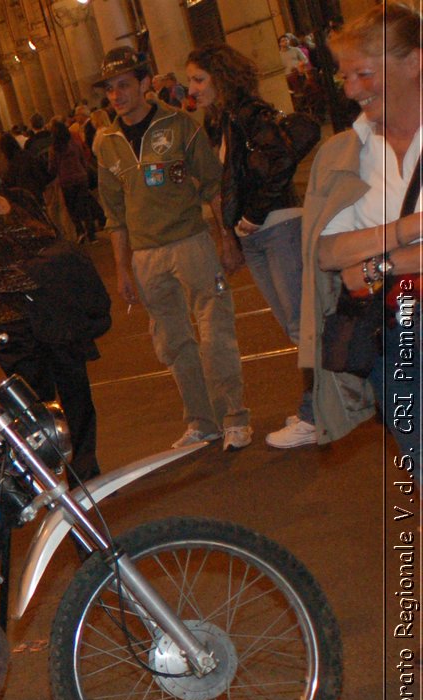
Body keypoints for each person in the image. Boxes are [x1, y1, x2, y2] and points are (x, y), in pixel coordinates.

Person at [92, 45, 251, 450]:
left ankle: (234, 416)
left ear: (145, 84)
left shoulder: (180, 125)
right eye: (109, 89)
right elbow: (115, 214)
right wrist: (122, 269)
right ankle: (202, 421)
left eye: (124, 85)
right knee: (172, 341)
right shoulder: (106, 143)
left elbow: (214, 186)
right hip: (146, 256)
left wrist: (226, 238)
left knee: (215, 332)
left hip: (192, 243)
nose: (116, 96)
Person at [298, 2, 422, 471]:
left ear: (415, 62)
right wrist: (407, 230)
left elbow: (354, 260)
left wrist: (378, 263)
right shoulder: (342, 154)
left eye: (364, 74)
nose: (352, 90)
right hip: (393, 337)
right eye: (345, 77)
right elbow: (326, 252)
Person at [185, 44, 316, 449]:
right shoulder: (225, 120)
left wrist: (255, 214)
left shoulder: (248, 114)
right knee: (295, 323)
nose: (191, 89)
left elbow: (279, 163)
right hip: (258, 233)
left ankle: (319, 413)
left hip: (276, 226)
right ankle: (323, 406)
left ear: (221, 78)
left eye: (198, 79)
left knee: (303, 324)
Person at [0, 141, 102, 480]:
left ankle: (87, 473)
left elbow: (55, 239)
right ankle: (44, 479)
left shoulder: (23, 200)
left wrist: (50, 270)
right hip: (11, 327)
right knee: (35, 410)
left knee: (77, 392)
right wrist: (47, 272)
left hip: (55, 313)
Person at [49, 120, 100, 243]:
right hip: (80, 177)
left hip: (66, 181)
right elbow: (82, 159)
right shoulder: (75, 144)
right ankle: (92, 234)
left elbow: (52, 168)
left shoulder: (54, 149)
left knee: (72, 209)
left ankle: (80, 231)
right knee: (85, 206)